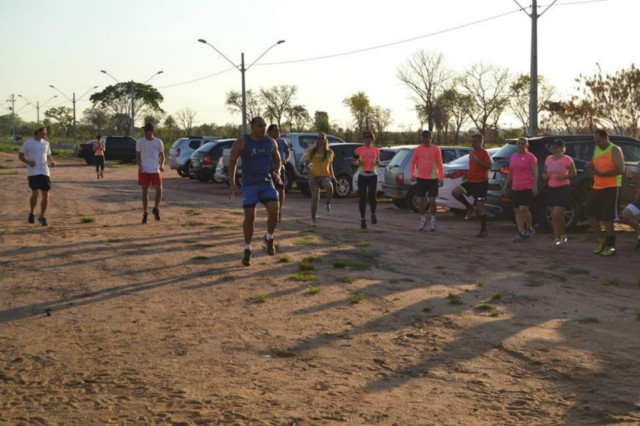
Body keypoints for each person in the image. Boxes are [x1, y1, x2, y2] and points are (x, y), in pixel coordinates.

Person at [229, 116, 282, 266]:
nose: (263, 128)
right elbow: (232, 161)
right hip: (250, 184)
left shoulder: (270, 142)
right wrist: (232, 183)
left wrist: (277, 172)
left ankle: (269, 238)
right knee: (250, 217)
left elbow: (277, 159)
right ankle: (247, 249)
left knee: (274, 210)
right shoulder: (242, 142)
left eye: (265, 126)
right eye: (260, 126)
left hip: (266, 183)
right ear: (252, 127)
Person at [585, 129, 625, 256]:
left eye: (599, 140)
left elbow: (620, 169)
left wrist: (603, 174)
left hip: (612, 187)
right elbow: (594, 163)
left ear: (605, 137)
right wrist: (589, 166)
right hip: (597, 186)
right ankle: (603, 239)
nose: (597, 143)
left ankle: (611, 245)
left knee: (608, 218)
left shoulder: (615, 149)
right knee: (589, 213)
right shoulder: (596, 149)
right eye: (595, 141)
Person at [451, 133, 492, 237]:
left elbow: (489, 165)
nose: (473, 143)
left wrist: (478, 161)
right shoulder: (471, 153)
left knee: (481, 205)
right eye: (472, 141)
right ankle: (469, 207)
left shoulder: (484, 153)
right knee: (455, 192)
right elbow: (472, 167)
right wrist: (466, 174)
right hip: (471, 182)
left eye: (475, 141)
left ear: (480, 142)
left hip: (481, 183)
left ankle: (483, 230)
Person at [542, 139, 577, 248]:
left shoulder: (567, 159)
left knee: (557, 213)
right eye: (553, 147)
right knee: (554, 216)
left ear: (562, 148)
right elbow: (544, 172)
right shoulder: (548, 159)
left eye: (556, 147)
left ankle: (563, 236)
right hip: (551, 188)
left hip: (563, 189)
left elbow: (573, 173)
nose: (554, 149)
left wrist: (565, 176)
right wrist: (544, 176)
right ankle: (557, 238)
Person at [502, 137, 538, 242]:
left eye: (523, 144)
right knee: (517, 210)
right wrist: (505, 185)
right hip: (515, 187)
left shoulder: (531, 157)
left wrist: (534, 186)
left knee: (524, 209)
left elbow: (535, 172)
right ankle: (521, 231)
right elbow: (510, 173)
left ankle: (530, 228)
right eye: (519, 144)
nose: (520, 146)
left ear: (526, 145)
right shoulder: (513, 157)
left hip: (527, 186)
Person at [18, 127, 56, 226]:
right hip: (33, 171)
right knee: (35, 193)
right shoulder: (28, 143)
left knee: (46, 194)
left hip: (44, 171)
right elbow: (20, 155)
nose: (45, 133)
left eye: (46, 132)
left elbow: (48, 155)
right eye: (43, 132)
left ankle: (42, 216)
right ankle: (32, 213)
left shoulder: (46, 143)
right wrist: (28, 162)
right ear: (37, 132)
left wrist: (51, 162)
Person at [410, 129, 443, 232]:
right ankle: (423, 218)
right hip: (421, 178)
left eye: (427, 137)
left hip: (433, 178)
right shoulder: (418, 149)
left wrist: (441, 178)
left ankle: (433, 219)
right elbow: (413, 163)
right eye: (423, 137)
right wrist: (413, 174)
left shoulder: (436, 149)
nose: (425, 139)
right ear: (422, 138)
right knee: (420, 200)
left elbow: (439, 164)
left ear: (431, 138)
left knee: (432, 201)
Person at [304, 133, 336, 226]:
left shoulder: (329, 152)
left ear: (325, 140)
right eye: (319, 138)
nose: (320, 140)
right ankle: (313, 219)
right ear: (317, 140)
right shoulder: (311, 151)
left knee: (329, 186)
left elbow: (330, 164)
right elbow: (306, 164)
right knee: (315, 198)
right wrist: (310, 175)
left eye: (322, 138)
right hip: (314, 177)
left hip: (324, 176)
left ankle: (327, 204)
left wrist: (332, 175)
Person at [136, 123, 165, 224]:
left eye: (147, 130)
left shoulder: (158, 142)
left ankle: (156, 208)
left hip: (154, 169)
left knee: (159, 189)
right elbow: (138, 155)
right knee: (145, 191)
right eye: (144, 130)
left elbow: (162, 155)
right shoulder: (140, 141)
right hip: (144, 170)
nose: (145, 132)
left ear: (152, 131)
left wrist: (162, 165)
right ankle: (145, 213)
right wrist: (139, 165)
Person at [354, 130, 380, 229]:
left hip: (373, 175)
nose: (368, 139)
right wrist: (357, 163)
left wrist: (377, 162)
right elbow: (354, 161)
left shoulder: (376, 150)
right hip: (363, 175)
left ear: (372, 139)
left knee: (373, 196)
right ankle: (362, 219)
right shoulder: (359, 150)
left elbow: (378, 161)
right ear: (364, 139)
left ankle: (373, 214)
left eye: (370, 138)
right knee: (362, 198)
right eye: (366, 138)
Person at [267, 124, 290, 223]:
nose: (278, 132)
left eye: (278, 130)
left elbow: (287, 151)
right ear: (270, 132)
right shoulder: (266, 142)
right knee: (270, 191)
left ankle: (279, 210)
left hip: (280, 168)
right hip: (268, 169)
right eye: (275, 130)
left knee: (280, 189)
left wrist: (286, 159)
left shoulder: (282, 141)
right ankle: (272, 212)